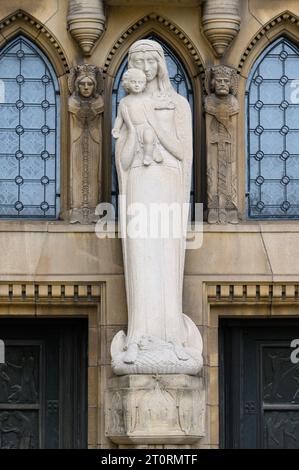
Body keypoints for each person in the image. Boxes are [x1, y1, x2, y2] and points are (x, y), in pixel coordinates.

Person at [111, 39, 202, 374]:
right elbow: (122, 159)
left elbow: (182, 151)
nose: (144, 68)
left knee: (164, 258)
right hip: (137, 185)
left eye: (150, 61)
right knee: (140, 258)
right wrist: (136, 128)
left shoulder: (178, 104)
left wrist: (154, 124)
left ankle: (171, 338)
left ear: (160, 65)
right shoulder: (126, 105)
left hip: (166, 186)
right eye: (138, 62)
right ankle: (139, 335)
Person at [112, 68, 163, 167]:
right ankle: (152, 151)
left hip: (145, 126)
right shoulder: (124, 101)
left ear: (144, 84)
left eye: (140, 82)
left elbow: (156, 105)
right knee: (134, 144)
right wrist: (116, 128)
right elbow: (119, 118)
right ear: (127, 84)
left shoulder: (146, 99)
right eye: (133, 82)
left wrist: (166, 104)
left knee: (148, 137)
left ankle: (148, 155)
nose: (137, 85)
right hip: (133, 128)